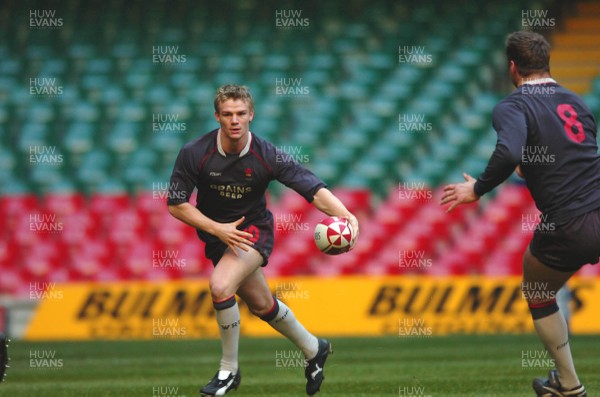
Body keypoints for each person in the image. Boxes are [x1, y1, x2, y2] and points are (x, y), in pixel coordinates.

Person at [167, 84, 359, 396]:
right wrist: (218, 229)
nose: (235, 120)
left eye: (241, 114)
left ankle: (229, 370)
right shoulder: (194, 153)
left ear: (251, 115)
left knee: (220, 286)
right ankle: (315, 348)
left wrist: (347, 215)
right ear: (217, 116)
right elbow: (176, 203)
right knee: (261, 303)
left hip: (254, 232)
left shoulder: (267, 154)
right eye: (227, 114)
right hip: (220, 237)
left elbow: (312, 189)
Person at [441, 31, 599, 397]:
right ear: (547, 64)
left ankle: (570, 384)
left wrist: (476, 188)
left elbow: (510, 153)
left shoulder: (513, 106)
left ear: (512, 67)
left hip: (570, 222)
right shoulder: (577, 103)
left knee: (538, 289)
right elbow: (576, 156)